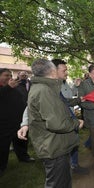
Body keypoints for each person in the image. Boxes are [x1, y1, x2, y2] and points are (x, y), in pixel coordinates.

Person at [22, 59, 84, 187]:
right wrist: (76, 123)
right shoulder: (45, 91)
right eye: (63, 70)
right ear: (52, 71)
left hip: (55, 144)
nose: (66, 73)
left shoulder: (46, 88)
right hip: (53, 147)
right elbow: (57, 124)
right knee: (57, 183)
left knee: (63, 181)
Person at [0, 68, 34, 177]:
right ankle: (2, 166)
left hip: (17, 120)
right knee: (3, 146)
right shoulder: (7, 88)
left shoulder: (15, 87)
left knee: (21, 140)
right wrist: (8, 88)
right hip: (3, 123)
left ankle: (23, 157)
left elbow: (21, 100)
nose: (9, 78)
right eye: (6, 75)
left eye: (10, 75)